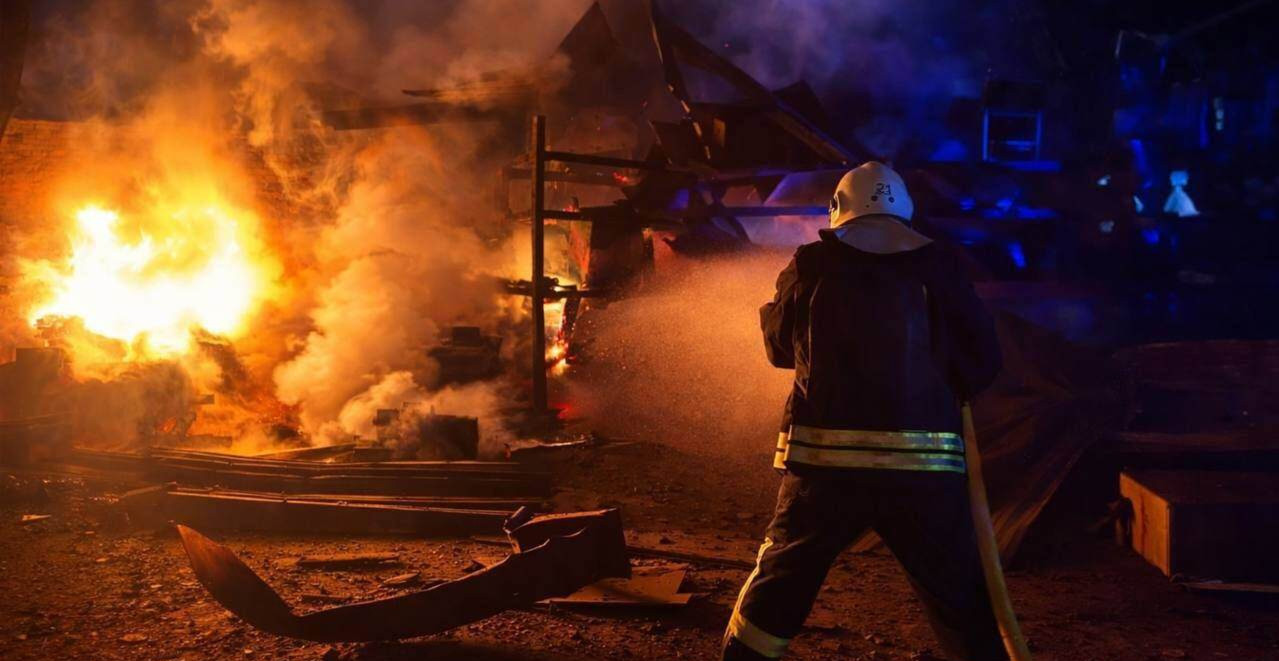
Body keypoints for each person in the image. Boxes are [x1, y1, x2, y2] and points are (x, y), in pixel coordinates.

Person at [722, 162, 1007, 660]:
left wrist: (773, 313)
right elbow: (983, 359)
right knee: (959, 595)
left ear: (838, 209)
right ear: (906, 212)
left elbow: (779, 351)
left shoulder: (812, 264)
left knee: (782, 583)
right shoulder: (938, 268)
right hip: (925, 473)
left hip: (824, 471)